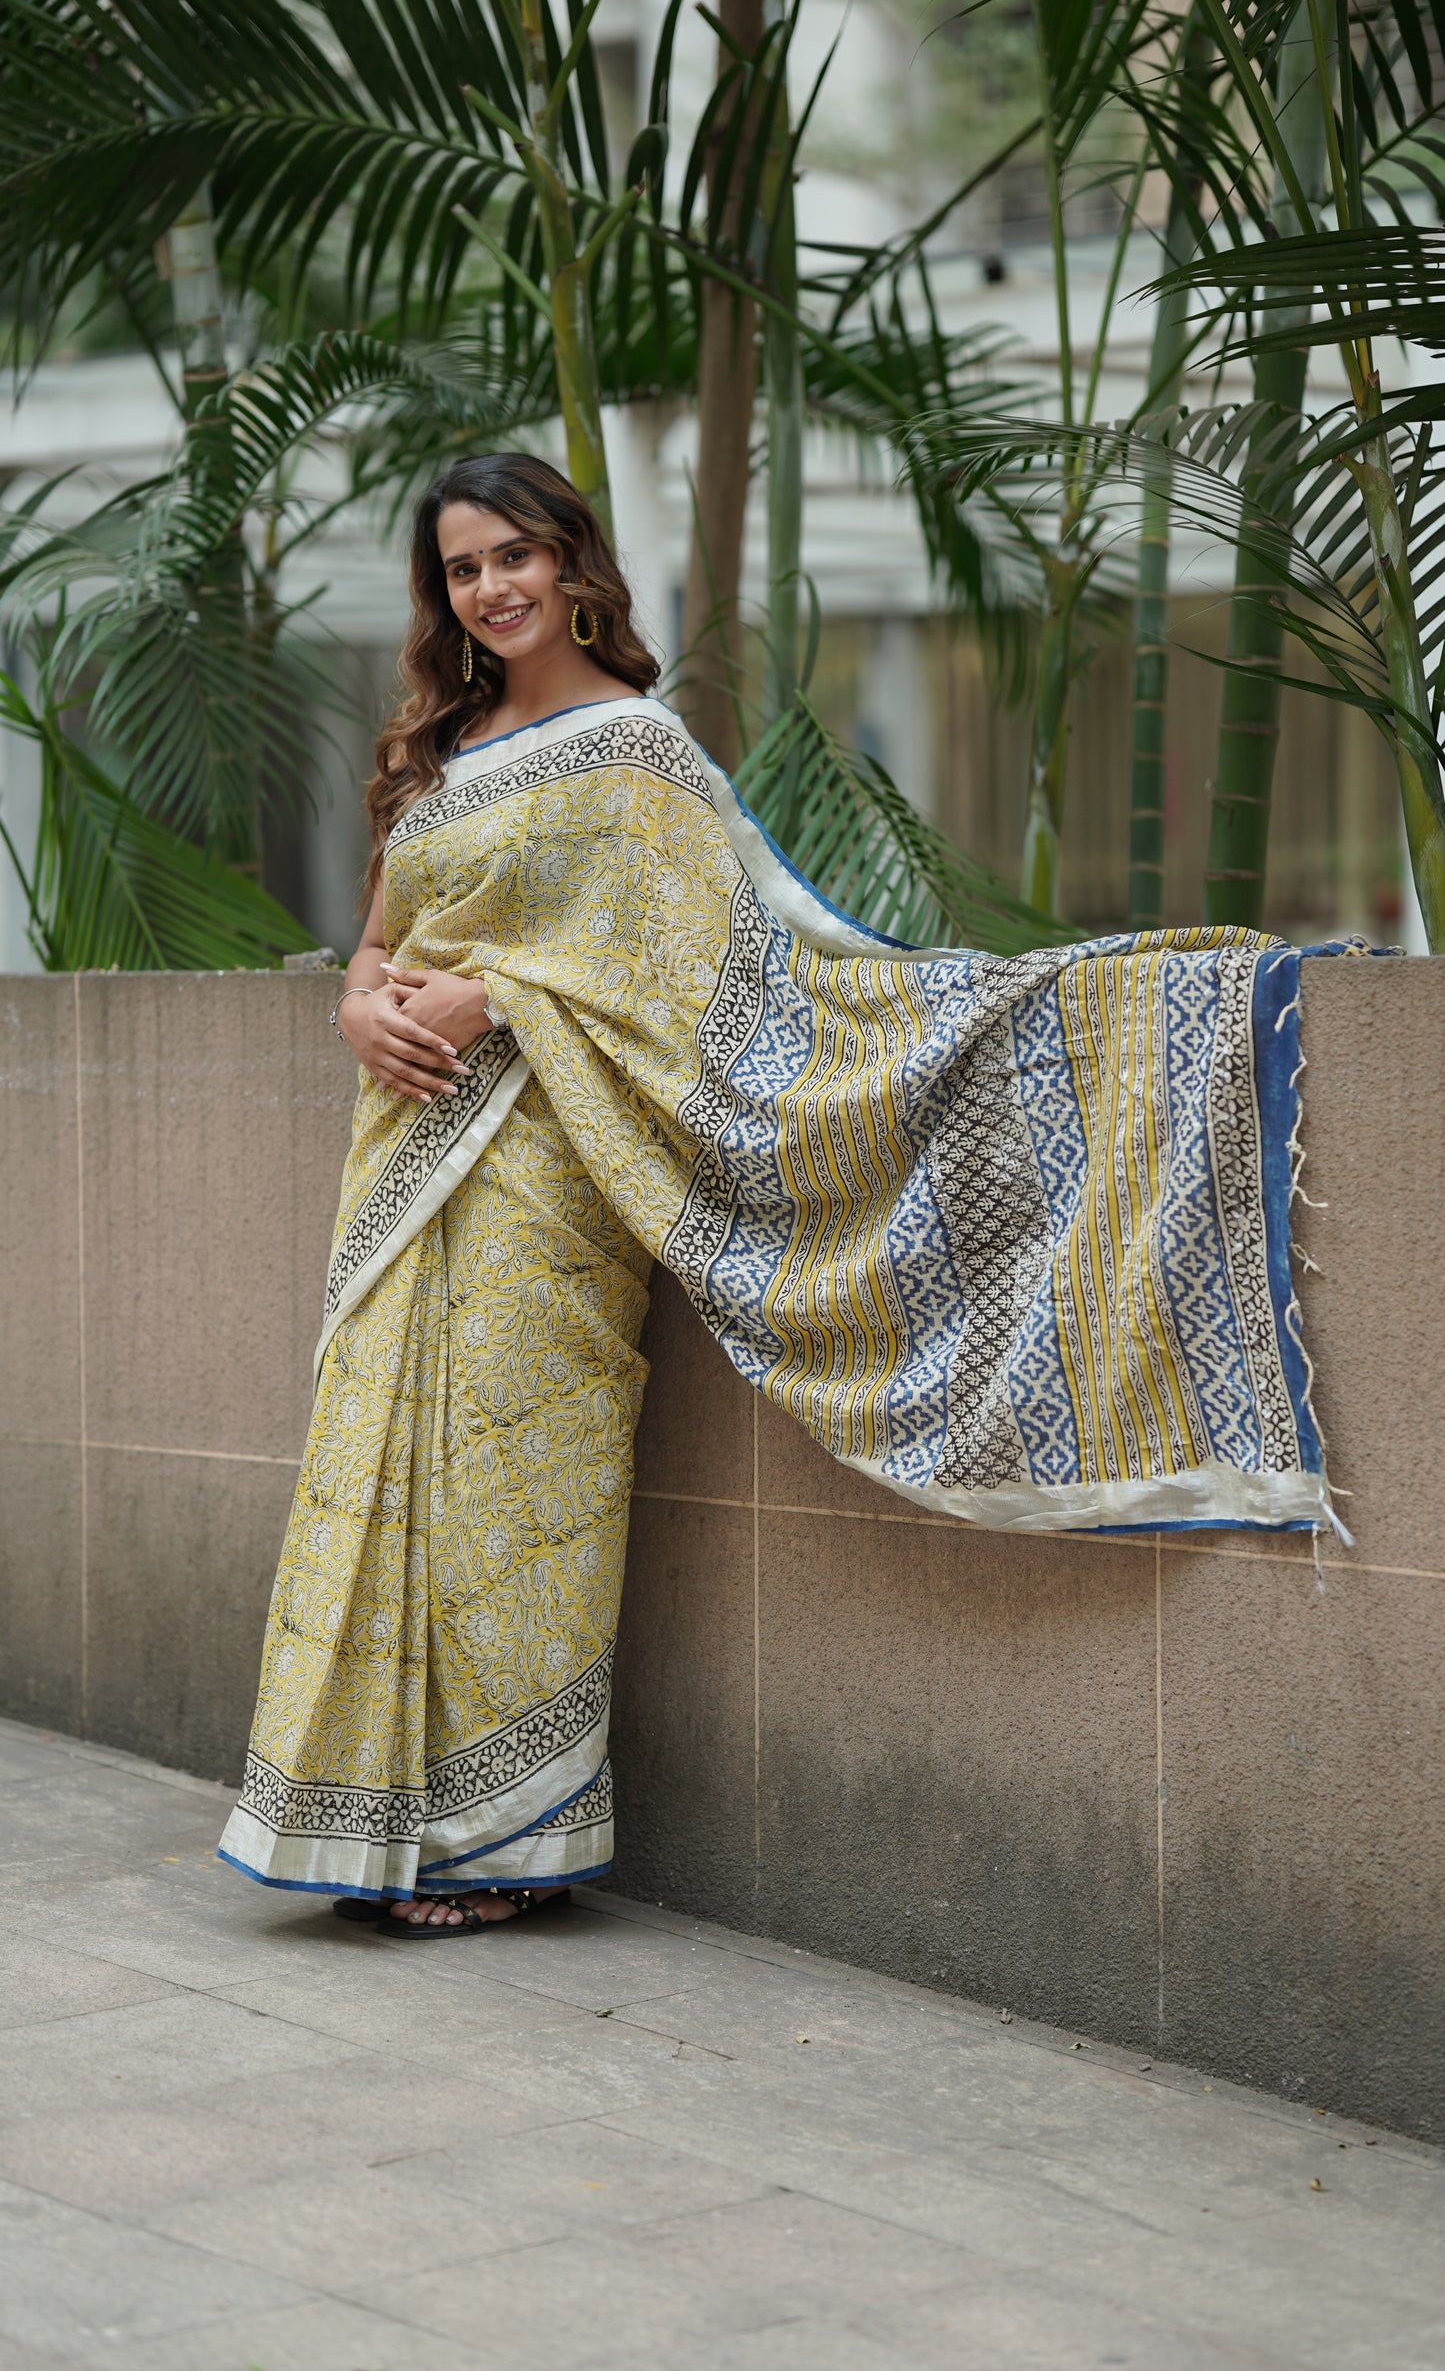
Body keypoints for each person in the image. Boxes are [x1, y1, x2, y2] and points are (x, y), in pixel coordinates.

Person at [219, 452, 1335, 1936]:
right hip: (408, 1156)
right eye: (461, 571)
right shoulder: (437, 750)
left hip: (561, 1155)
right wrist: (358, 1008)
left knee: (514, 1483)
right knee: (384, 1460)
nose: (490, 590)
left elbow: (698, 973)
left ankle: (491, 1841)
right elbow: (374, 944)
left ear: (572, 563)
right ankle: (372, 1826)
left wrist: (499, 996)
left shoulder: (639, 750)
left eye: (513, 557)